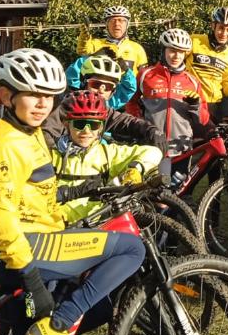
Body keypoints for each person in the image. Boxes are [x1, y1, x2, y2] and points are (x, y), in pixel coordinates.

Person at [0, 48, 145, 335]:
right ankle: (57, 326)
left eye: (49, 97)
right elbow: (1, 217)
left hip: (37, 241)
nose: (42, 104)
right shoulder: (7, 144)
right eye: (32, 95)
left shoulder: (31, 134)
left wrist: (77, 193)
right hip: (29, 249)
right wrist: (31, 275)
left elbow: (39, 192)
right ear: (6, 96)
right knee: (132, 249)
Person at [52, 88, 164, 224]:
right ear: (66, 124)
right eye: (79, 124)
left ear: (100, 127)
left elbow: (152, 152)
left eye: (93, 125)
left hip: (98, 224)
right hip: (58, 224)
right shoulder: (51, 155)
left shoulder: (107, 153)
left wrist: (136, 168)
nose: (86, 131)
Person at [126, 28, 209, 182]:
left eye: (181, 52)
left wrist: (195, 105)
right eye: (172, 50)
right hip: (152, 145)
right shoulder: (146, 75)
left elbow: (203, 119)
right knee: (151, 192)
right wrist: (140, 125)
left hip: (180, 148)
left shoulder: (191, 81)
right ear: (164, 50)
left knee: (177, 194)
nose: (176, 56)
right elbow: (131, 102)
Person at [187, 6, 228, 125]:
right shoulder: (194, 40)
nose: (224, 33)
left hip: (215, 106)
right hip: (191, 101)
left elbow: (227, 86)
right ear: (213, 26)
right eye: (221, 28)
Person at [78, 4, 149, 73]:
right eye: (112, 21)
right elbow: (83, 50)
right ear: (106, 25)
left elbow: (143, 75)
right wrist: (84, 38)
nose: (117, 24)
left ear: (127, 25)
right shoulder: (95, 44)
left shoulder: (137, 48)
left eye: (121, 20)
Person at [65, 49, 137, 108]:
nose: (101, 90)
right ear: (84, 84)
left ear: (113, 91)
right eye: (95, 84)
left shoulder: (110, 104)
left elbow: (129, 89)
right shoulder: (71, 102)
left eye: (108, 86)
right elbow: (70, 77)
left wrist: (126, 72)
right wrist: (88, 59)